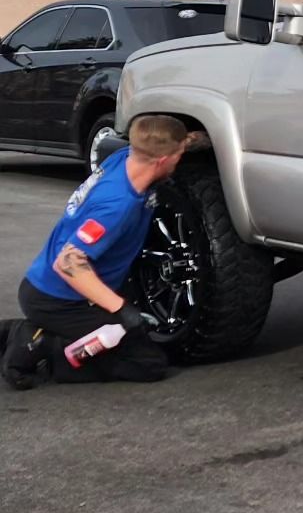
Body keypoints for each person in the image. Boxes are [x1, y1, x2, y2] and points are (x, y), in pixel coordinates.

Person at [1, 114, 192, 389]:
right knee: (147, 363)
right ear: (162, 160)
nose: (180, 159)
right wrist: (122, 310)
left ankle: (19, 331)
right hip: (58, 299)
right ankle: (39, 344)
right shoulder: (116, 206)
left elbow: (164, 143)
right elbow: (67, 263)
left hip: (53, 289)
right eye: (179, 154)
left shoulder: (125, 157)